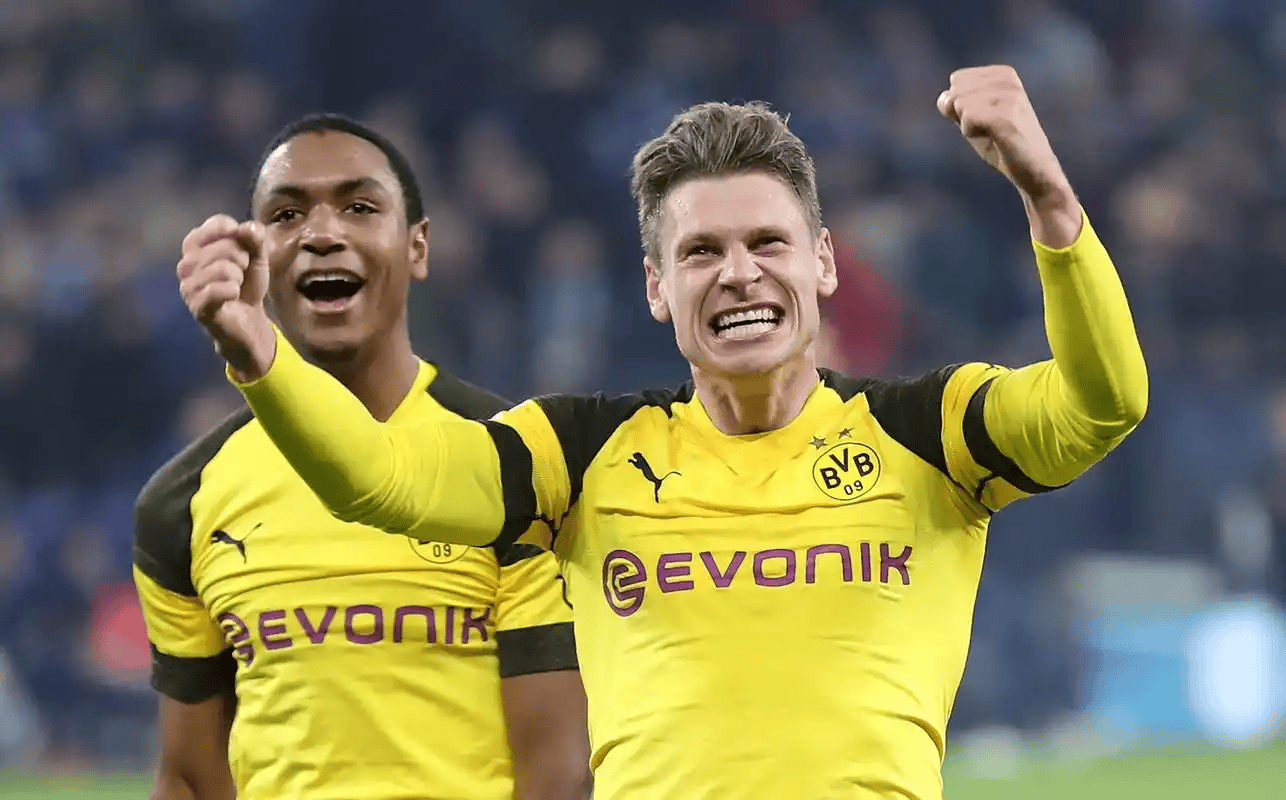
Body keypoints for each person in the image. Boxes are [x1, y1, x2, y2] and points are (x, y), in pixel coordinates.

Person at [181, 68, 1148, 799]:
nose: (738, 274)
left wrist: (1050, 201)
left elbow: (1102, 404)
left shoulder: (931, 435)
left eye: (767, 242)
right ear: (656, 288)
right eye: (700, 252)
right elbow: (379, 479)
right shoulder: (579, 455)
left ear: (822, 264)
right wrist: (259, 350)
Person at [136, 114, 591, 800]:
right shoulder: (184, 501)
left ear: (417, 247)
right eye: (287, 215)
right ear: (255, 255)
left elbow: (560, 770)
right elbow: (191, 778)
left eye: (359, 207)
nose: (322, 234)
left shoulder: (512, 467)